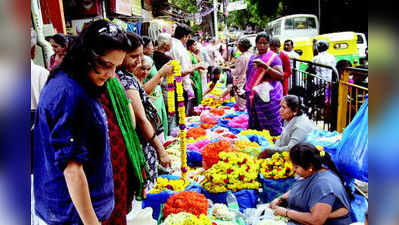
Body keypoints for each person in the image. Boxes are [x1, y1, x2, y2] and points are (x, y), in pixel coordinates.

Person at [33, 20, 131, 225]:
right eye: (106, 65)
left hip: (84, 209)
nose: (111, 74)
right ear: (86, 54)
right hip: (74, 214)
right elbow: (72, 169)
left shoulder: (78, 80)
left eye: (116, 67)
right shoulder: (69, 93)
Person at [117, 31, 172, 191]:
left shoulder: (127, 76)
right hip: (142, 145)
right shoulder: (124, 79)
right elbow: (140, 119)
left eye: (141, 55)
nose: (140, 61)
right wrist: (161, 150)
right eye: (134, 56)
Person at [270, 143, 354, 225]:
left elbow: (316, 221)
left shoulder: (324, 185)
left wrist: (286, 212)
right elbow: (301, 188)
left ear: (310, 166)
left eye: (296, 167)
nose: (293, 170)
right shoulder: (312, 173)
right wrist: (280, 199)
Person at [245, 32, 284, 136]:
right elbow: (248, 75)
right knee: (256, 124)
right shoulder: (252, 57)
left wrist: (266, 67)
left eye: (265, 43)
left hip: (269, 97)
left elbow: (280, 76)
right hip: (254, 96)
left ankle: (275, 143)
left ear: (268, 44)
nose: (262, 46)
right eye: (259, 43)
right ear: (256, 44)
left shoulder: (273, 58)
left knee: (272, 124)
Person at [168, 23, 206, 116]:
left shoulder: (171, 45)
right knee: (179, 116)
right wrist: (197, 67)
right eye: (188, 37)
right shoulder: (179, 49)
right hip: (178, 86)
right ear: (185, 36)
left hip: (172, 85)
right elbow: (182, 72)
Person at [137, 55, 169, 142]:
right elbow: (142, 94)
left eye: (148, 69)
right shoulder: (133, 80)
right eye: (142, 69)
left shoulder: (142, 80)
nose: (145, 72)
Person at [221, 37, 252, 110]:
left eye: (238, 45)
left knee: (242, 105)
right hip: (249, 81)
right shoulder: (251, 55)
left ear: (241, 46)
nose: (237, 46)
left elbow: (237, 72)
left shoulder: (241, 57)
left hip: (242, 82)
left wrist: (228, 69)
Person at [187, 39, 203, 105]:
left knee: (199, 97)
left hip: (197, 78)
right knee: (195, 100)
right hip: (193, 79)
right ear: (189, 46)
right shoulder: (188, 55)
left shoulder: (192, 54)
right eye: (194, 45)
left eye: (196, 44)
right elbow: (189, 67)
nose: (196, 46)